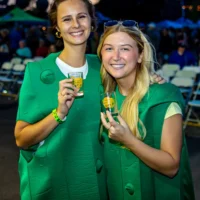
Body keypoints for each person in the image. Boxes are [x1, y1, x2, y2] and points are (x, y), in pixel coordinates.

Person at [14, 1, 165, 199]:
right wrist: (58, 113)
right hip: (51, 183)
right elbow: (21, 139)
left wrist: (148, 77)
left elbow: (132, 80)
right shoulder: (36, 73)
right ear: (57, 28)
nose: (76, 24)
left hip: (94, 184)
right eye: (67, 19)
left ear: (92, 22)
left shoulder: (105, 68)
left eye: (82, 16)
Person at [97, 21, 195, 200]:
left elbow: (172, 166)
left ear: (140, 55)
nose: (116, 56)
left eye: (125, 49)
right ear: (101, 54)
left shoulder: (162, 97)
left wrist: (128, 140)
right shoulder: (104, 97)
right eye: (109, 48)